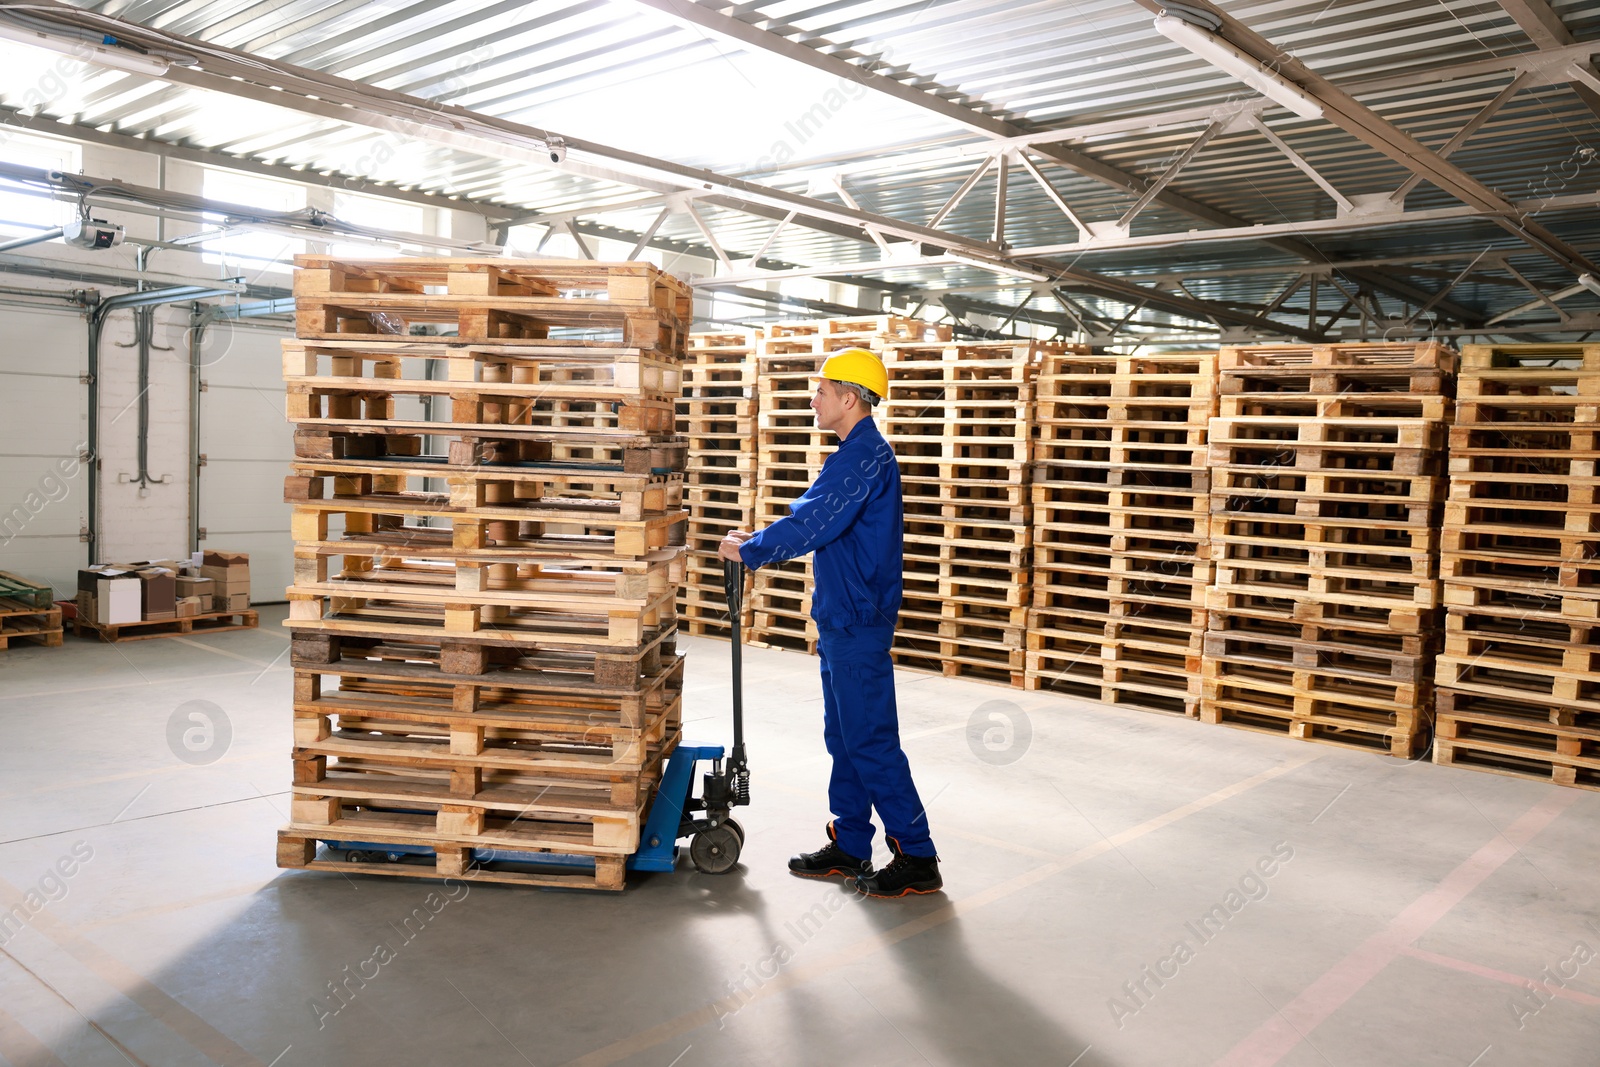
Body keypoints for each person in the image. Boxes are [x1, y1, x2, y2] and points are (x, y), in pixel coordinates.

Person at [718, 347, 941, 898]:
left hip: (859, 617)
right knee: (843, 737)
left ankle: (917, 855)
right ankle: (850, 844)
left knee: (870, 740)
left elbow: (813, 522)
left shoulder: (864, 457)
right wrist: (758, 541)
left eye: (820, 391)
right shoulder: (852, 453)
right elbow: (812, 515)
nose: (812, 399)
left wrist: (750, 553)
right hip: (843, 616)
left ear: (848, 398)